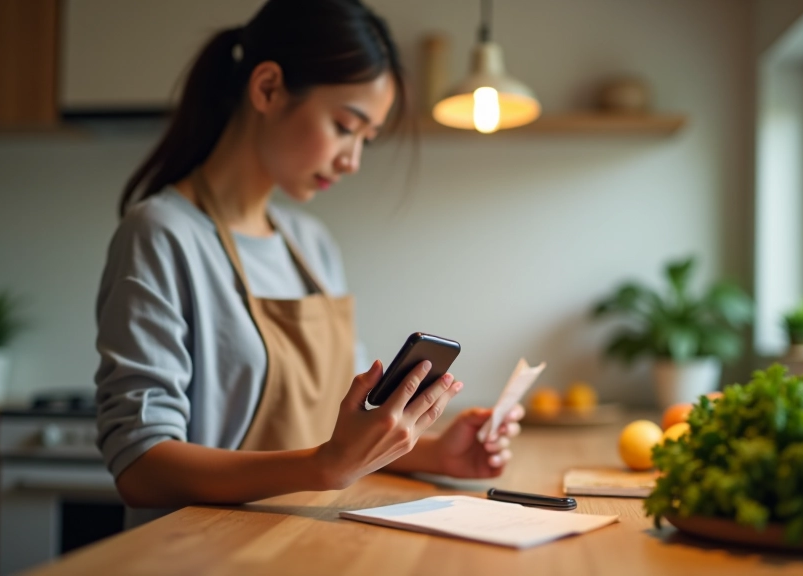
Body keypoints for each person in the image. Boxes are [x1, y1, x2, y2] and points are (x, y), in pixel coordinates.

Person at [94, 0, 524, 528]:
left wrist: (436, 453)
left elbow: (335, 434)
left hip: (296, 542)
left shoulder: (310, 244)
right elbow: (139, 469)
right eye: (346, 126)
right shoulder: (162, 235)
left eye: (367, 139)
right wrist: (325, 466)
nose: (352, 160)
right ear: (268, 88)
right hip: (197, 553)